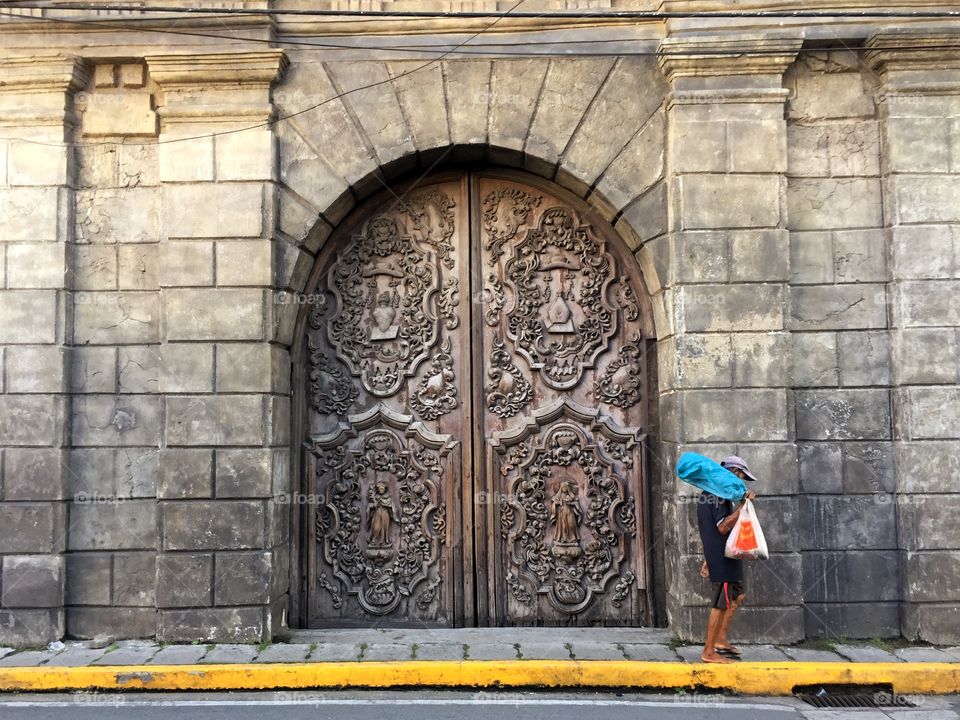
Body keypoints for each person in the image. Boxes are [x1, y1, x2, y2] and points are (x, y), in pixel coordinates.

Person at [696, 455, 758, 664]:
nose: (741, 481)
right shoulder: (718, 497)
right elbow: (721, 527)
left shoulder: (710, 494)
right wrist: (743, 508)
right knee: (720, 604)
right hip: (722, 559)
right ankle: (708, 651)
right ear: (732, 472)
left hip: (724, 556)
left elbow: (707, 531)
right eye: (740, 475)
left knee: (736, 596)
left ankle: (721, 640)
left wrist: (707, 559)